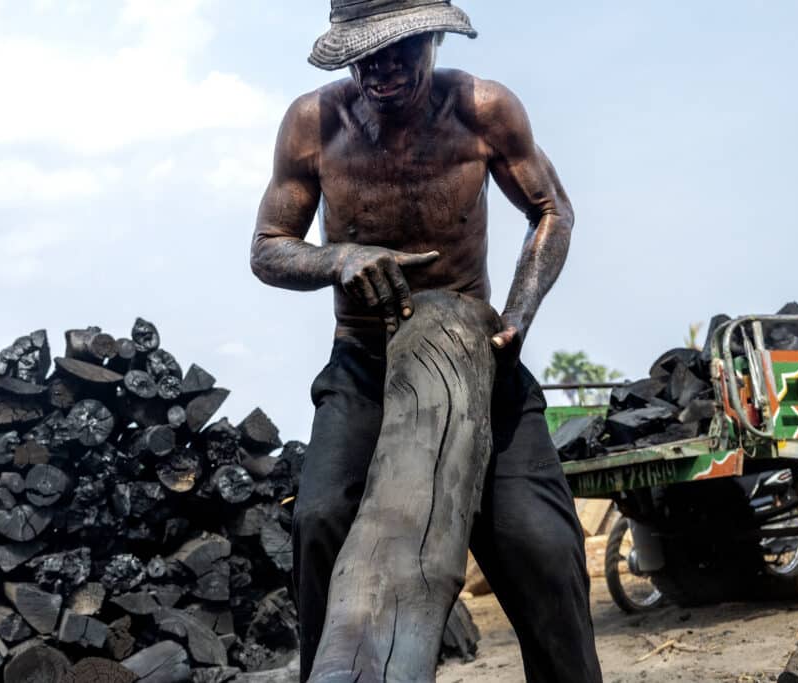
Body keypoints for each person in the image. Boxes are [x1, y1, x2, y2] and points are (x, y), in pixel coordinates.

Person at [249, 1, 602, 681]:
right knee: (320, 521)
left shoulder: (484, 109)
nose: (380, 68)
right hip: (364, 362)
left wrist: (519, 314)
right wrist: (338, 257)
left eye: (398, 50)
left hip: (476, 357)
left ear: (434, 36)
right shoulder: (312, 124)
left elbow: (552, 210)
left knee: (543, 544)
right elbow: (268, 247)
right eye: (364, 54)